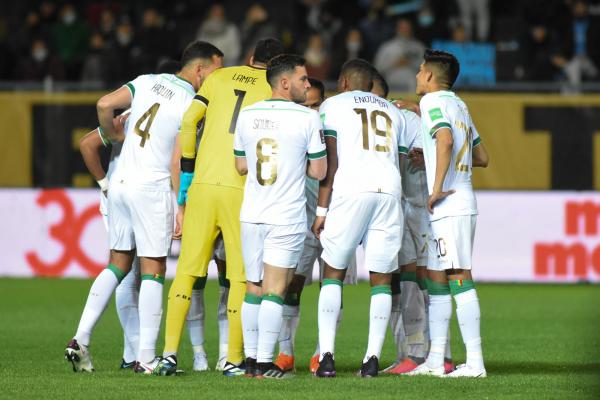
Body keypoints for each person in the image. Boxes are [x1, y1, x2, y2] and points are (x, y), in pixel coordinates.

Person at [64, 41, 223, 374]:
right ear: (199, 70)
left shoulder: (146, 81)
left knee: (118, 264)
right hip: (151, 188)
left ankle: (80, 338)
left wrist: (113, 134)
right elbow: (179, 158)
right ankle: (146, 358)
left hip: (119, 184)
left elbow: (104, 103)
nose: (217, 78)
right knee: (154, 270)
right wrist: (181, 204)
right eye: (216, 71)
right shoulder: (192, 102)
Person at [155, 38, 285, 377]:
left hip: (200, 187)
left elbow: (188, 121)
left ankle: (168, 355)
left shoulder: (218, 77)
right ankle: (233, 359)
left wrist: (187, 173)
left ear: (250, 57)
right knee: (240, 277)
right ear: (278, 65)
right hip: (241, 190)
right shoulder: (273, 89)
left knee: (187, 271)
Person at [312, 59, 408, 378]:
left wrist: (322, 210)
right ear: (370, 85)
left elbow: (331, 159)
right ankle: (372, 360)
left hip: (351, 189)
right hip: (389, 190)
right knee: (381, 278)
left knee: (333, 272)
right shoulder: (392, 111)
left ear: (343, 82)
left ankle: (327, 356)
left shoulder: (333, 105)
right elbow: (403, 158)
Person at [234, 54, 327, 378]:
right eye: (303, 79)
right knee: (275, 290)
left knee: (253, 288)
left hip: (251, 214)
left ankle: (247, 361)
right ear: (285, 83)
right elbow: (319, 170)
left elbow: (242, 165)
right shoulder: (307, 118)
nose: (306, 84)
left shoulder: (247, 114)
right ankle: (263, 362)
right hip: (286, 216)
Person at [408, 49, 489, 378]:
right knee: (437, 277)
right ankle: (435, 360)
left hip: (450, 203)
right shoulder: (459, 104)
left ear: (429, 75)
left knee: (458, 275)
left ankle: (475, 363)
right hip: (461, 198)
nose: (415, 76)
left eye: (419, 71)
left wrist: (437, 186)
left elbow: (444, 139)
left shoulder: (432, 103)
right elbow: (482, 156)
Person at [276, 78, 358, 374]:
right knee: (290, 285)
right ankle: (286, 352)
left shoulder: (341, 131)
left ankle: (322, 352)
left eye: (315, 105)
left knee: (331, 284)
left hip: (341, 219)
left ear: (325, 103)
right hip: (301, 221)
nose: (310, 111)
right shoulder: (294, 129)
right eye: (305, 105)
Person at [374, 18, 425, 93]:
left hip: (412, 86)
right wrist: (395, 64)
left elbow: (426, 68)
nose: (405, 30)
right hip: (391, 84)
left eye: (407, 28)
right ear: (397, 29)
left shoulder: (419, 47)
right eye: (402, 28)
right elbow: (377, 68)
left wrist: (410, 63)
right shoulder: (387, 47)